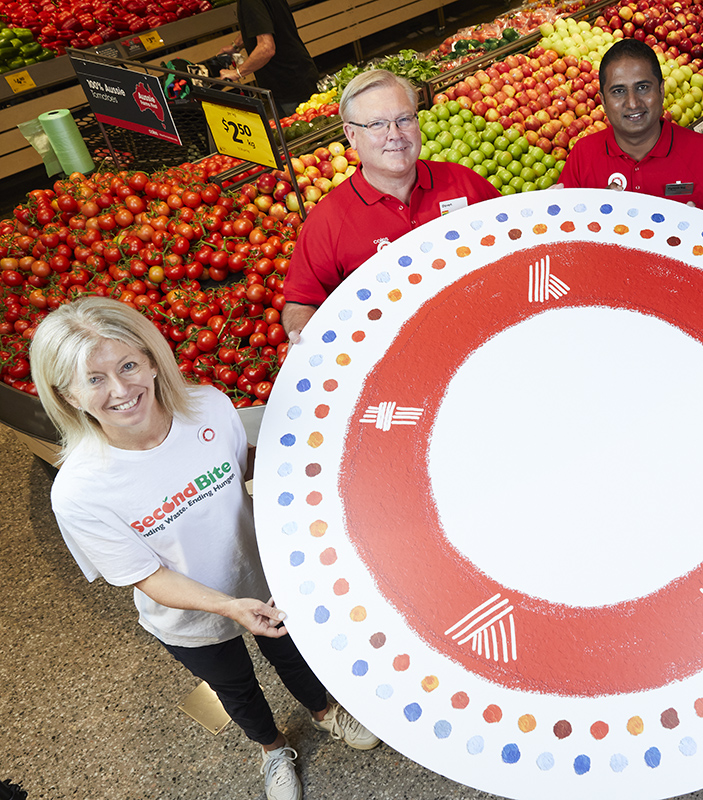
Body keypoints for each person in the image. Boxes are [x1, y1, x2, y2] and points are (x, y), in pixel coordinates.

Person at [30, 297, 380, 800]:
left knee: (297, 658)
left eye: (128, 365)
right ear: (67, 395)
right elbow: (146, 576)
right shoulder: (80, 491)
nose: (122, 390)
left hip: (264, 579)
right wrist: (226, 607)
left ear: (153, 360)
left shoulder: (209, 407)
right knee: (236, 689)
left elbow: (243, 477)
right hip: (188, 617)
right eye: (95, 379)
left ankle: (324, 712)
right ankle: (273, 747)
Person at [282, 70, 500, 338]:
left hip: (484, 332)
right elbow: (302, 301)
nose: (394, 134)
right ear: (351, 135)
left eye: (404, 119)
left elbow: (510, 236)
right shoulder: (328, 222)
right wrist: (300, 334)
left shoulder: (463, 182)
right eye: (377, 124)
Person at [559, 38, 703, 227]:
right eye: (618, 91)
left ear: (661, 90)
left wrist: (701, 230)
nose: (633, 103)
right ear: (603, 100)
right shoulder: (583, 154)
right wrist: (594, 213)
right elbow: (564, 225)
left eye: (643, 88)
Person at [216, 0, 319, 116]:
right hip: (298, 72)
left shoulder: (250, 2)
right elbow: (260, 25)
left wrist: (237, 73)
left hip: (287, 84)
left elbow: (266, 48)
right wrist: (235, 46)